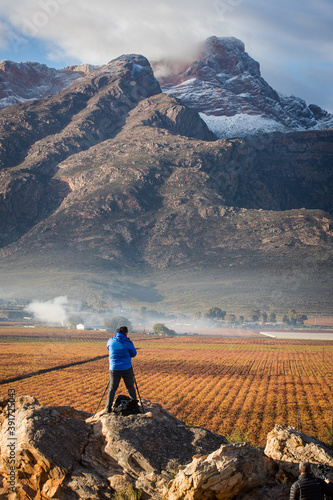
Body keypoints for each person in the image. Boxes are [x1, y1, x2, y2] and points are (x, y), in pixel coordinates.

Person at [105, 325, 137, 413]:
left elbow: (108, 348)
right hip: (126, 368)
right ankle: (135, 407)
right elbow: (133, 354)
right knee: (130, 387)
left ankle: (108, 407)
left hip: (113, 368)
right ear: (126, 333)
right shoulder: (128, 342)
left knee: (112, 388)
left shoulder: (110, 341)